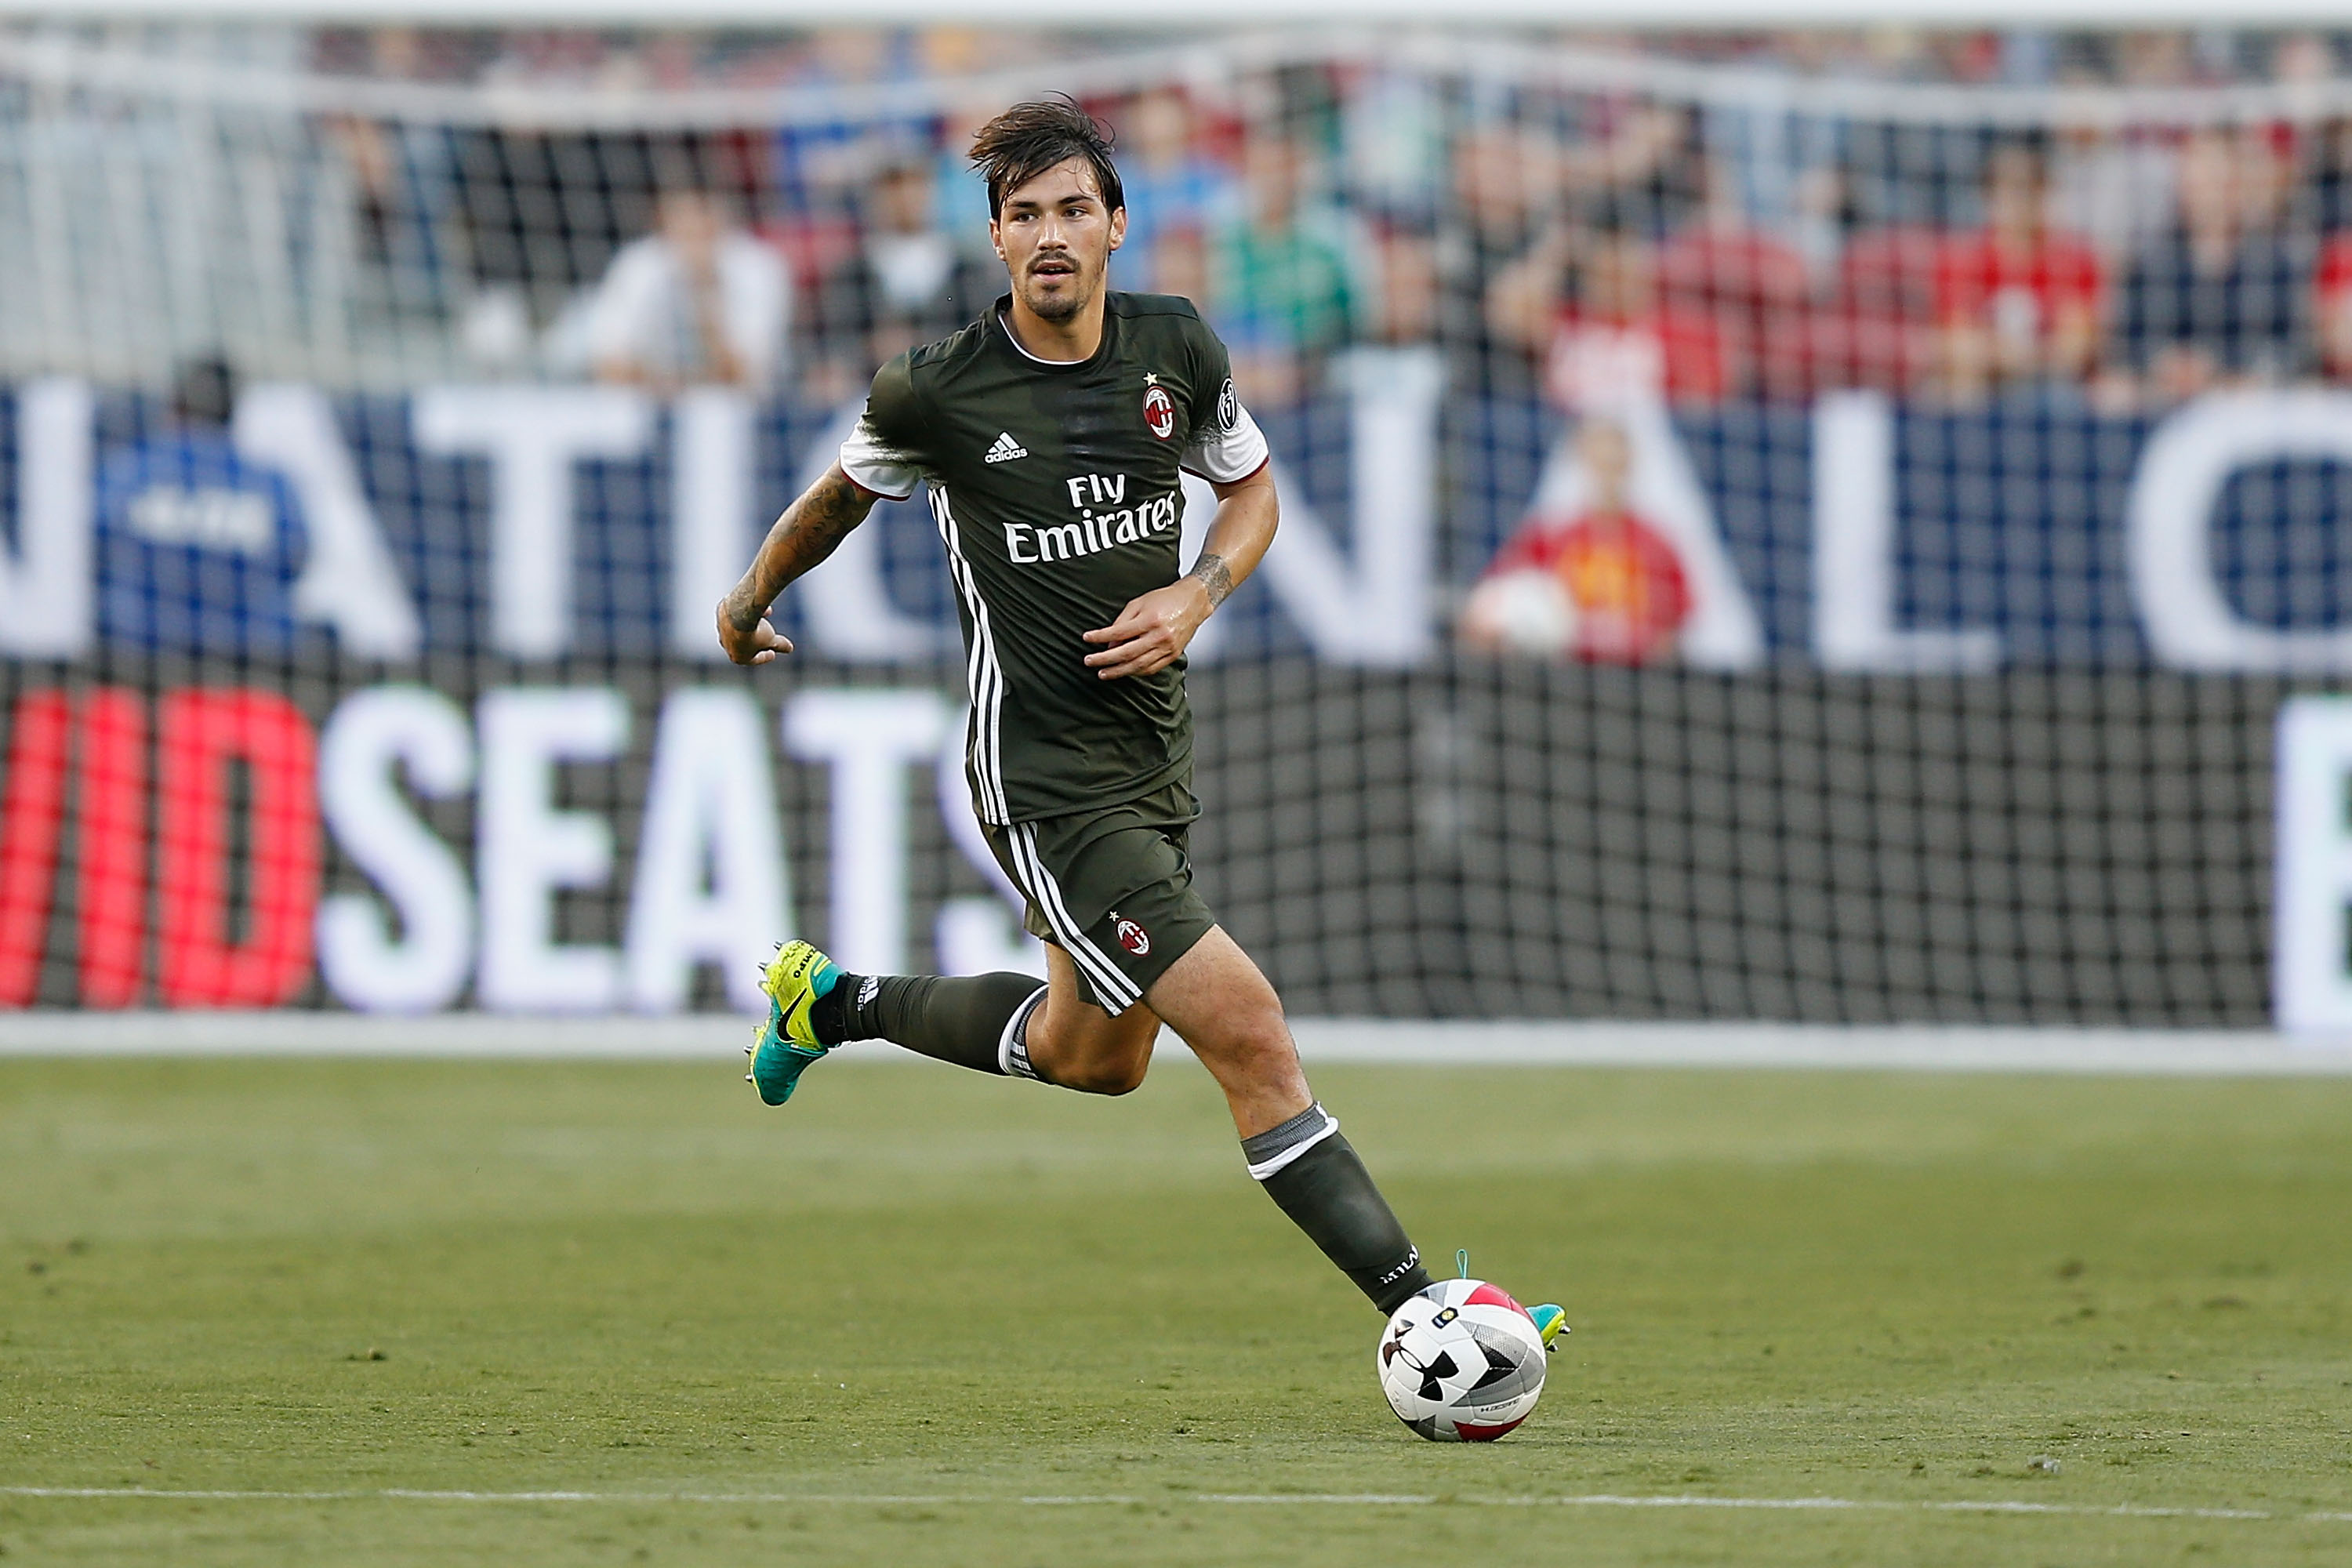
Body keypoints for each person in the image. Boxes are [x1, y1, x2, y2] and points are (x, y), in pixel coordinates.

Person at [716, 99, 1566, 1342]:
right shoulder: (936, 392)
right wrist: (746, 603)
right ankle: (1430, 1317)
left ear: (1118, 225)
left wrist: (1199, 591)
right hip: (1045, 782)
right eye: (1024, 216)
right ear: (997, 241)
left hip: (1153, 755)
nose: (1050, 235)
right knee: (1250, 1033)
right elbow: (836, 501)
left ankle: (829, 1004)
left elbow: (1253, 489)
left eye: (1073, 210)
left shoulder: (1176, 349)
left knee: (1093, 1056)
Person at [93, 355, 306, 654]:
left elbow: (95, 547)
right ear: (233, 411)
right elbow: (296, 557)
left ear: (175, 404)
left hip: (141, 660)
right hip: (248, 664)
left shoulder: (130, 471)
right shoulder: (270, 483)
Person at [1931, 139, 2104, 404]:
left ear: (2043, 193)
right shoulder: (1964, 259)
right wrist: (2025, 355)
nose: (2016, 202)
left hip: (2052, 387)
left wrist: (2004, 355)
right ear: (1987, 197)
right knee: (1959, 389)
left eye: (2026, 189)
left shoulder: (2072, 260)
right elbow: (1956, 346)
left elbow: (2074, 350)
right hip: (1985, 382)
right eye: (2005, 190)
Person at [586, 185, 789, 394]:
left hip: (741, 408)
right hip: (650, 401)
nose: (695, 240)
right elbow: (609, 364)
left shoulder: (757, 267)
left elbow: (745, 374)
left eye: (705, 229)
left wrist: (703, 291)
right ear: (663, 220)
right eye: (685, 227)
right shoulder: (638, 265)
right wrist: (668, 386)